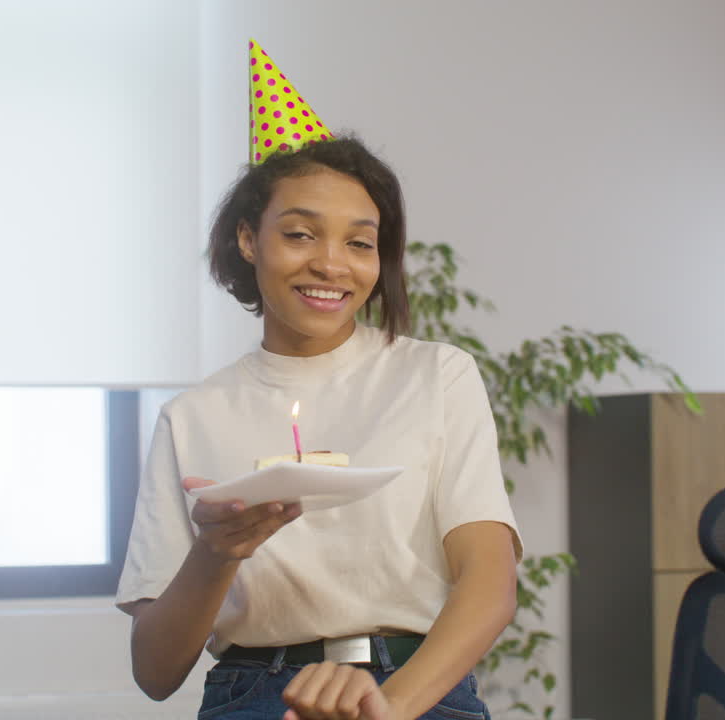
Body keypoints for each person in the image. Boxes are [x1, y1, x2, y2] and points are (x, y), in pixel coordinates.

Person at [115, 41, 522, 720]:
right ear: (250, 239)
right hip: (253, 694)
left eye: (359, 243)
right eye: (301, 234)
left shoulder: (437, 375)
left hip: (414, 688)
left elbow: (491, 583)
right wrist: (217, 553)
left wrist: (387, 709)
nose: (332, 264)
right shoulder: (193, 416)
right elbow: (155, 672)